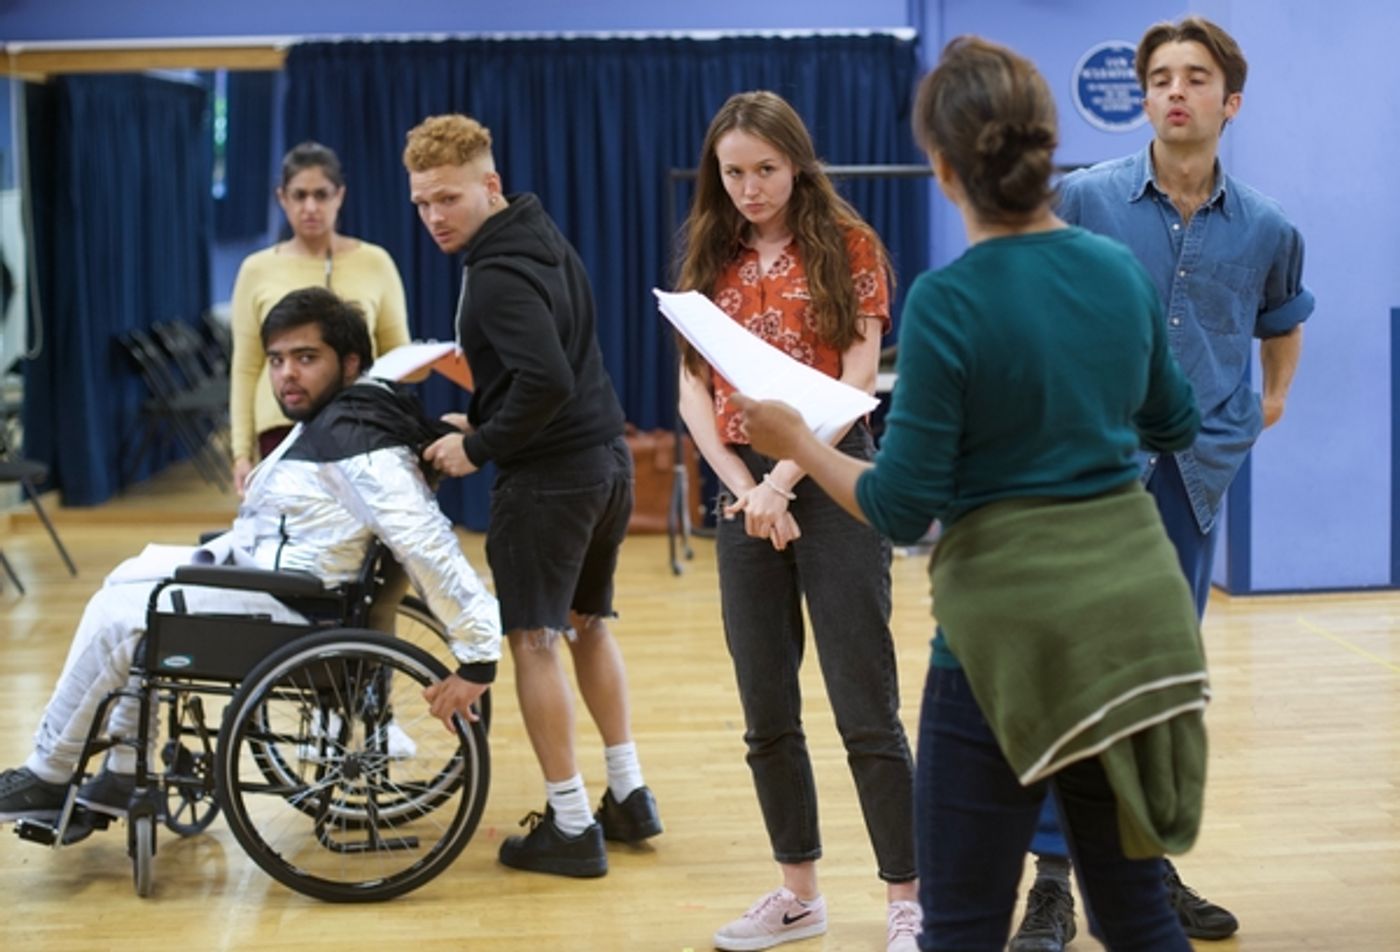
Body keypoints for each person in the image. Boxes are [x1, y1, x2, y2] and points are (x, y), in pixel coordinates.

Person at [733, 36, 1209, 952]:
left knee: (960, 926)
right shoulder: (1117, 273)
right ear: (1045, 145)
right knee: (1137, 912)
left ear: (944, 170)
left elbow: (904, 507)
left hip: (1008, 636)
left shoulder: (951, 300)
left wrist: (794, 441)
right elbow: (1174, 422)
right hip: (1131, 626)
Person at [1009, 17, 1313, 949]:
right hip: (1088, 474)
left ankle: (1139, 876)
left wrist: (1266, 408)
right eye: (1160, 78)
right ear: (1142, 97)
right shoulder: (1085, 199)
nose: (1175, 91)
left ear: (1231, 100)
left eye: (1196, 77)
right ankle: (1053, 885)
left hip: (1190, 480)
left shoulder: (1267, 226)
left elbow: (1280, 321)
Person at [0, 287, 500, 821]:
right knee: (129, 575)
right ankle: (123, 768)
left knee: (121, 616)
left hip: (297, 612)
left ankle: (51, 772)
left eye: (306, 358)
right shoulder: (346, 414)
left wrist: (478, 652)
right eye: (278, 360)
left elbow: (425, 542)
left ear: (350, 363)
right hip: (281, 585)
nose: (286, 373)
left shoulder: (358, 436)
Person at [674, 91, 920, 952]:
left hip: (834, 476)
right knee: (765, 704)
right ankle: (798, 892)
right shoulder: (709, 249)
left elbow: (857, 378)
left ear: (798, 162)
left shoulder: (849, 245)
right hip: (747, 493)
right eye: (733, 171)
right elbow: (692, 388)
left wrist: (785, 477)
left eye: (765, 170)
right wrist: (742, 484)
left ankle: (906, 898)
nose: (748, 187)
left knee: (865, 701)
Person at [403, 114, 660, 879]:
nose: (435, 217)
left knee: (535, 641)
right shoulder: (542, 237)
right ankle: (628, 793)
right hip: (604, 461)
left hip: (551, 479)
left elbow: (544, 378)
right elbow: (554, 365)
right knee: (588, 624)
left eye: (448, 198)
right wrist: (482, 413)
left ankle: (573, 828)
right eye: (421, 203)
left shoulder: (495, 272)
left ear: (489, 185)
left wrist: (476, 445)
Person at [229, 141, 411, 494]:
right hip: (282, 426)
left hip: (360, 427)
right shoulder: (256, 269)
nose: (310, 207)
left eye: (320, 195)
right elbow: (246, 366)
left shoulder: (375, 262)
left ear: (339, 196)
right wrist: (240, 453)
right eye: (298, 196)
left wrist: (397, 432)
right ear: (282, 198)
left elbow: (398, 359)